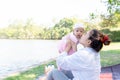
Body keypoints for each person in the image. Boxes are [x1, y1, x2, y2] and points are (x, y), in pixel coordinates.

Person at [45, 29, 111, 80]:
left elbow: (60, 62)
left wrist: (67, 48)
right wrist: (74, 45)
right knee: (64, 71)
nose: (82, 35)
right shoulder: (94, 52)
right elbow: (79, 61)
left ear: (88, 42)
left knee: (53, 72)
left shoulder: (83, 54)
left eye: (85, 34)